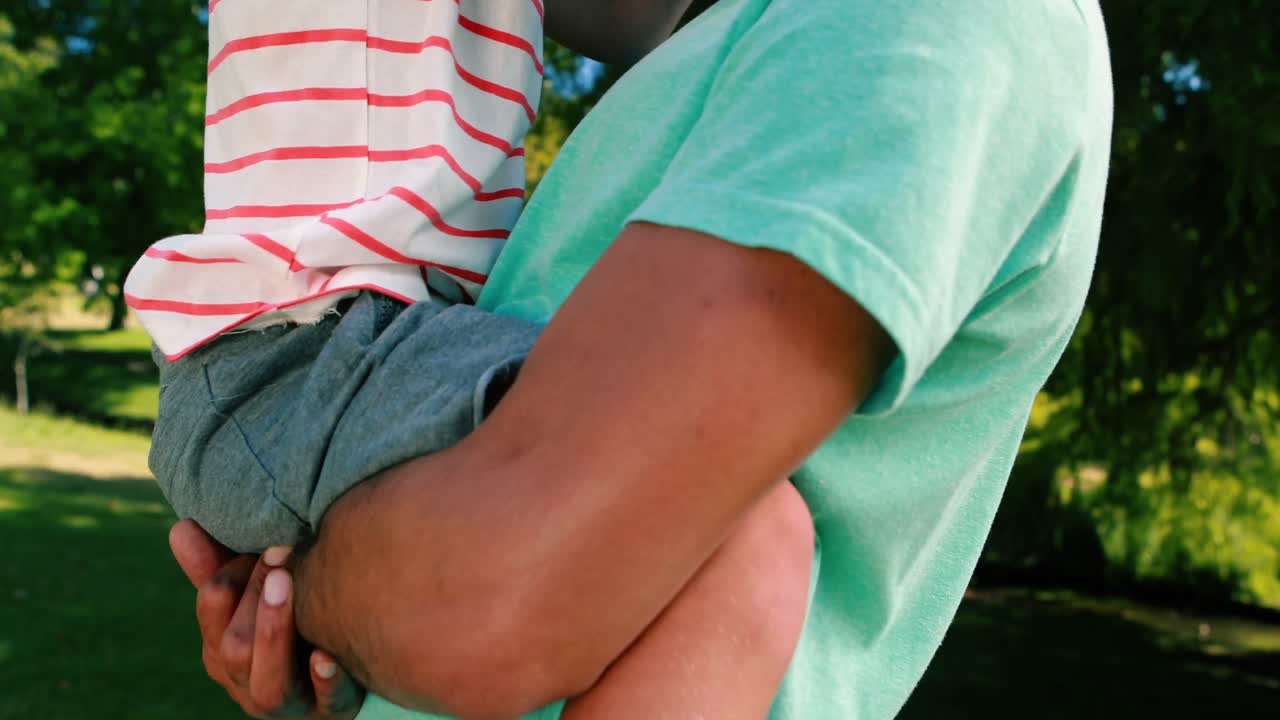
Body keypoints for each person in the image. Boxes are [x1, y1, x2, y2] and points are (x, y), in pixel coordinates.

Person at [172, 0, 1115, 718]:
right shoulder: (734, 51)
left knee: (751, 553)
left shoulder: (904, 22)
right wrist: (352, 643)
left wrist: (312, 598)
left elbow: (487, 601)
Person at [132, 0, 815, 717]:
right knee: (728, 525)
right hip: (288, 344)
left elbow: (630, 24)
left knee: (725, 524)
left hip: (391, 343)